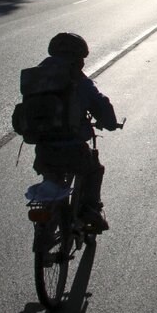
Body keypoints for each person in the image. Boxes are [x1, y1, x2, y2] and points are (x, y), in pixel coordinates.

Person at [33, 32, 118, 232]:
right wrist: (110, 123)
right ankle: (89, 209)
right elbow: (100, 105)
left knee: (51, 177)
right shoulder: (78, 81)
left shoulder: (37, 76)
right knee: (94, 168)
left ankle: (48, 223)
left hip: (43, 150)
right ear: (77, 58)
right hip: (73, 149)